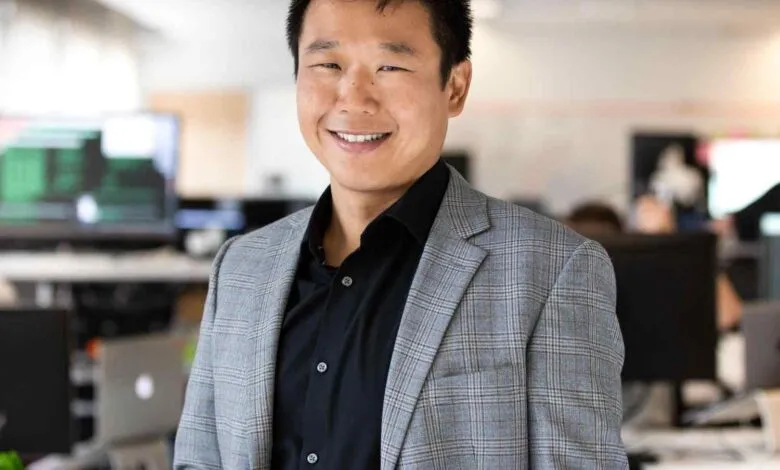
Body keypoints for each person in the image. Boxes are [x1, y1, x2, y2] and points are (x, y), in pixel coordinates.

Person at [173, 1, 627, 469]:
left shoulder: (552, 271)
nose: (353, 97)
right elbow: (198, 459)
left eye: (389, 66)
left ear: (454, 85)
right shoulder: (241, 267)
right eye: (328, 64)